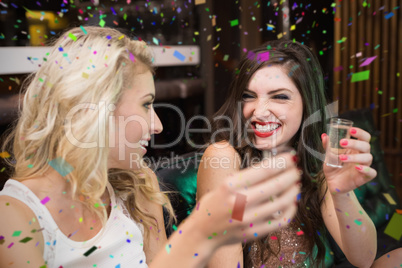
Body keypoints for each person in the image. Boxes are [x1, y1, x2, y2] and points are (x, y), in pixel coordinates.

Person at [0, 26, 302, 268]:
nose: (157, 125)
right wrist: (199, 233)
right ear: (96, 110)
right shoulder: (14, 216)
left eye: (280, 97)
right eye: (147, 105)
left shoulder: (136, 188)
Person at [197, 39, 397, 267]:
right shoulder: (224, 157)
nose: (259, 112)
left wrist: (341, 193)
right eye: (248, 96)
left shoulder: (313, 160)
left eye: (279, 96)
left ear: (307, 104)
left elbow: (363, 258)